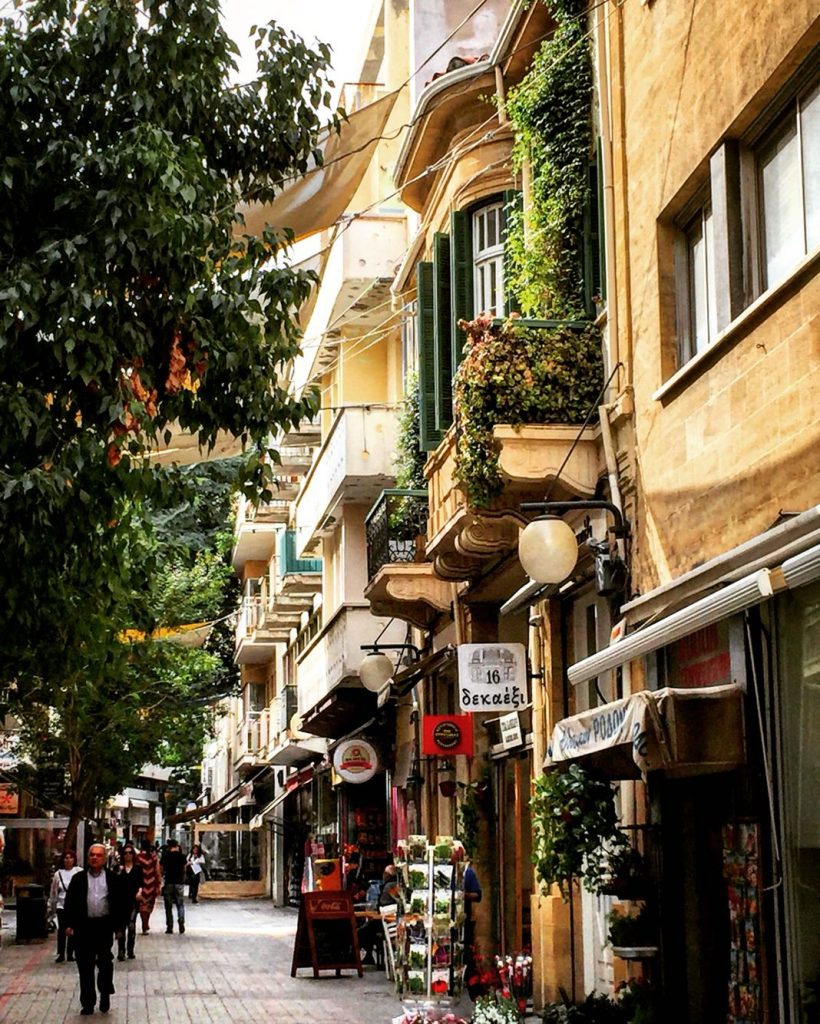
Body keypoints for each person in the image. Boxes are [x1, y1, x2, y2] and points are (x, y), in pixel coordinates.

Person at [63, 843, 127, 1016]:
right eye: (92, 854)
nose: (94, 858)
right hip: (84, 927)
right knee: (85, 965)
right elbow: (70, 903)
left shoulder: (113, 879)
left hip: (104, 926)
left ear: (105, 858)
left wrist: (119, 928)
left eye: (99, 855)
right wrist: (68, 925)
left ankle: (105, 992)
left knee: (105, 962)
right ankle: (88, 1002)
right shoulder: (79, 879)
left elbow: (121, 904)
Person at [48, 849, 82, 963]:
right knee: (62, 929)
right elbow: (53, 891)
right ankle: (61, 953)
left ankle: (70, 953)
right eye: (66, 858)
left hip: (74, 906)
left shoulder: (78, 872)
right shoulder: (58, 874)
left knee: (74, 929)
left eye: (70, 858)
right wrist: (51, 905)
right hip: (61, 905)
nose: (68, 860)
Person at [115, 844, 143, 961]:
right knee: (121, 927)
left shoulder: (137, 869)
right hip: (121, 901)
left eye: (130, 853)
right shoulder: (118, 868)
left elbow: (141, 883)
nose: (128, 855)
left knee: (131, 925)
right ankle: (121, 950)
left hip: (133, 901)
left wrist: (140, 892)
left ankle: (130, 949)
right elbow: (114, 883)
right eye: (125, 853)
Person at [160, 838, 186, 934]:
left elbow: (161, 870)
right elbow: (184, 869)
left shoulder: (165, 856)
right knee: (180, 904)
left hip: (169, 882)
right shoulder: (182, 856)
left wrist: (161, 879)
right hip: (179, 882)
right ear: (177, 845)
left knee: (168, 906)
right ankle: (181, 922)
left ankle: (170, 927)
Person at [135, 840, 160, 934]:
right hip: (152, 883)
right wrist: (158, 884)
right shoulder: (153, 857)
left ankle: (144, 924)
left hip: (141, 884)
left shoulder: (138, 857)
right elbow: (157, 871)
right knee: (149, 905)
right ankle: (146, 923)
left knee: (142, 905)